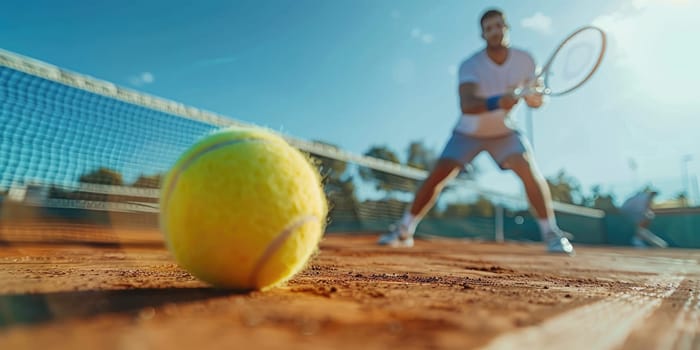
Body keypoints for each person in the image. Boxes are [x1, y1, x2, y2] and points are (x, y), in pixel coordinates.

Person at [378, 8, 574, 255]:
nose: (495, 31)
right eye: (489, 28)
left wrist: (534, 99)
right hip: (467, 133)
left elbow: (537, 101)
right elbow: (467, 105)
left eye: (498, 26)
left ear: (507, 27)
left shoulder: (526, 60)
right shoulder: (471, 65)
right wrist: (496, 102)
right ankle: (404, 230)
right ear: (482, 34)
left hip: (504, 132)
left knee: (526, 166)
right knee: (439, 173)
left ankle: (551, 233)